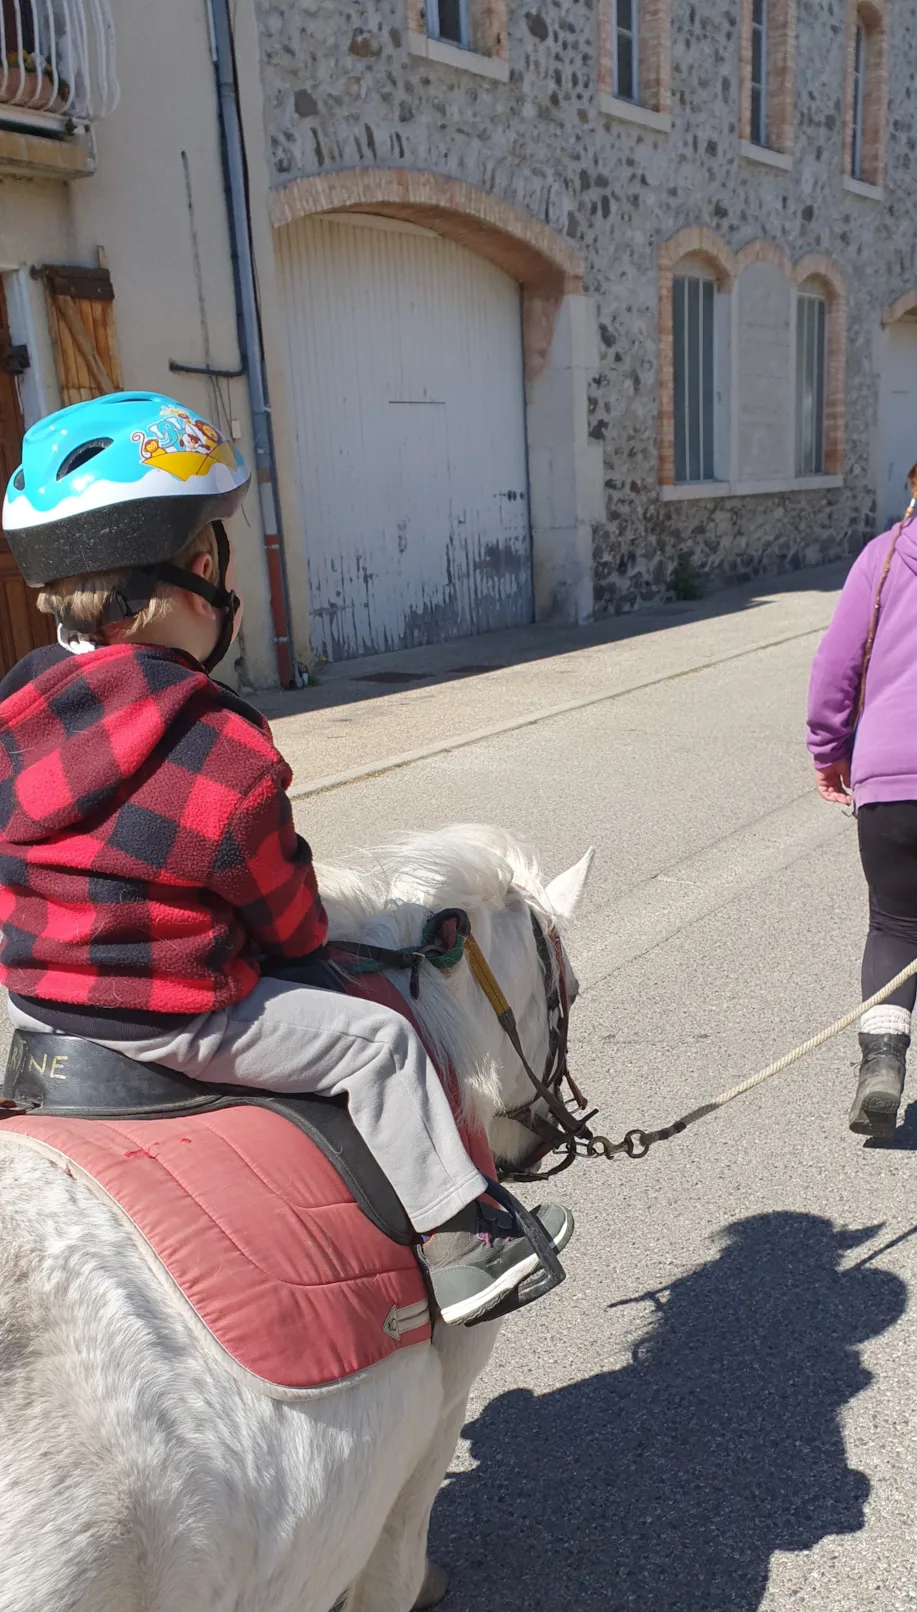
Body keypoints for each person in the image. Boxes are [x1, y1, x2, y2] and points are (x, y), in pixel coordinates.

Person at [0, 392, 572, 1322]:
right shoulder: (219, 745)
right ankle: (466, 1245)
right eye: (218, 551)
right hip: (169, 1015)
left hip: (36, 998)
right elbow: (290, 919)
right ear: (197, 573)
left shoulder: (20, 709)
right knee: (379, 1041)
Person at [806, 410, 917, 1143]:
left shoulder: (889, 555)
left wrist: (829, 747)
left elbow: (838, 664)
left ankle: (883, 1061)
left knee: (895, 923)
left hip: (895, 775)